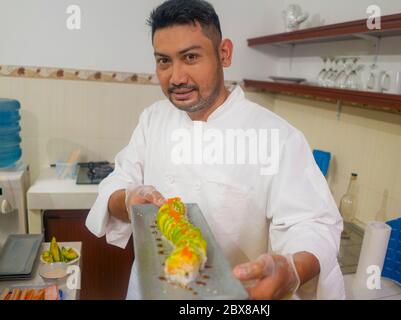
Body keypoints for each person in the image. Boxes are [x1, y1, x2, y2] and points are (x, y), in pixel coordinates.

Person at [86, 0, 345, 300]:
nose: (176, 77)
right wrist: (128, 200)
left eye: (191, 57)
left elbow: (313, 223)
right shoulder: (152, 120)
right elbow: (116, 185)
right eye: (164, 61)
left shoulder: (276, 137)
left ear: (224, 54)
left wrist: (293, 271)